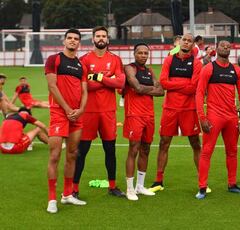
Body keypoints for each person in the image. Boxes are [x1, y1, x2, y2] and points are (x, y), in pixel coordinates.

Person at [72, 26, 126, 199]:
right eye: (98, 36)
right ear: (93, 39)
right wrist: (107, 80)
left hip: (108, 112)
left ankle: (112, 186)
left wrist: (99, 77)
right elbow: (85, 85)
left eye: (104, 36)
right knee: (82, 151)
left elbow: (120, 83)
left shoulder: (115, 59)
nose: (101, 38)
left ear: (108, 39)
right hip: (89, 112)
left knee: (110, 150)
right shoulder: (84, 59)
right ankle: (74, 189)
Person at [195, 40, 240, 199]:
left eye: (228, 46)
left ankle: (232, 184)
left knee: (232, 152)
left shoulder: (236, 70)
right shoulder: (208, 69)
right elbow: (199, 93)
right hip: (213, 117)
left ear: (231, 50)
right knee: (206, 152)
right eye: (222, 45)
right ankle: (202, 188)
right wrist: (202, 117)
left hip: (231, 118)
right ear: (216, 49)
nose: (225, 47)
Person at [149, 33, 202, 193]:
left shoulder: (197, 63)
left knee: (195, 144)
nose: (186, 42)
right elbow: (163, 83)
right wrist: (183, 84)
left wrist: (175, 84)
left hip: (189, 109)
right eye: (184, 40)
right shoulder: (169, 60)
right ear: (179, 42)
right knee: (164, 143)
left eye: (189, 41)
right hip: (170, 109)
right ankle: (158, 180)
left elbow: (194, 87)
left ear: (193, 45)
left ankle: (202, 181)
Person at [45, 28, 88, 213]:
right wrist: (67, 109)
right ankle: (52, 199)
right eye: (69, 38)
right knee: (55, 155)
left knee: (72, 155)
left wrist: (80, 110)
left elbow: (85, 90)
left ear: (79, 43)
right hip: (59, 113)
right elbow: (52, 86)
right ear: (64, 41)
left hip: (76, 116)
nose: (72, 41)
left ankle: (67, 195)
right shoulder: (54, 59)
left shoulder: (81, 66)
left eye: (76, 39)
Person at [123, 43, 164, 201]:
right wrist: (147, 88)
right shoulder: (129, 68)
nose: (143, 55)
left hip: (149, 115)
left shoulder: (149, 70)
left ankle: (140, 186)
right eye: (140, 53)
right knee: (133, 149)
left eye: (145, 53)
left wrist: (142, 87)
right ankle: (130, 188)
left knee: (145, 149)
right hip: (134, 115)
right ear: (134, 54)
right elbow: (136, 87)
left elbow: (161, 91)